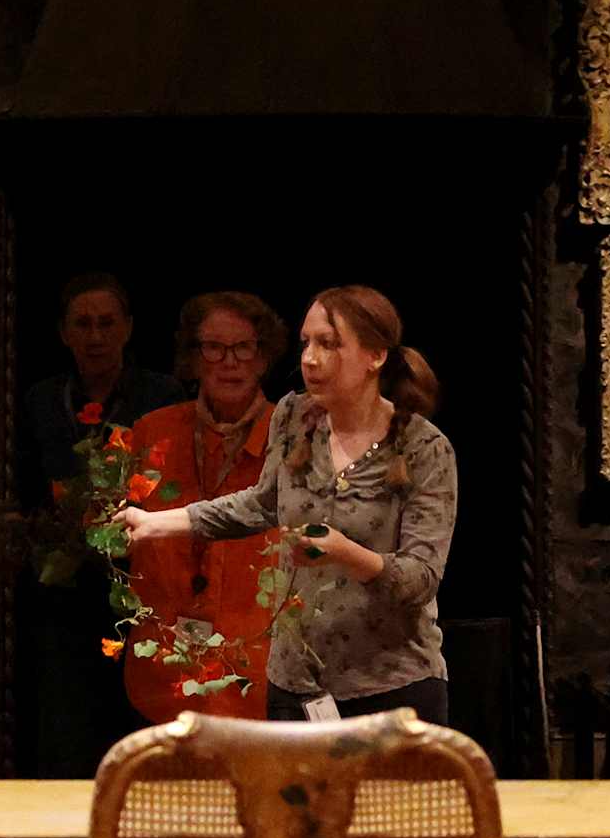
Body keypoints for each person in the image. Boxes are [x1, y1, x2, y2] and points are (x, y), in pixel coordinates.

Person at [121, 285, 455, 724]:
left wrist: (344, 553)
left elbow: (421, 579)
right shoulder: (294, 417)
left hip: (390, 686)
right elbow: (262, 504)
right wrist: (158, 522)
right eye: (306, 343)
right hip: (295, 689)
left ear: (375, 356)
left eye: (329, 344)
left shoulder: (423, 447)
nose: (310, 358)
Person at [17, 275, 189, 772]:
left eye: (107, 323)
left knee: (135, 713)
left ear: (129, 328)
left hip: (141, 576)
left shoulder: (161, 393)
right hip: (63, 582)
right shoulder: (42, 399)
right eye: (83, 324)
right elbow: (26, 484)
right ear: (64, 333)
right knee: (68, 719)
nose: (96, 337)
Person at [117, 292, 287, 721]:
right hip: (162, 674)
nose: (230, 362)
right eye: (213, 348)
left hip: (259, 676)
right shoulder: (151, 431)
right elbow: (111, 534)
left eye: (244, 347)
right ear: (192, 360)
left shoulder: (293, 440)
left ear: (263, 358)